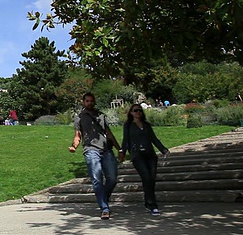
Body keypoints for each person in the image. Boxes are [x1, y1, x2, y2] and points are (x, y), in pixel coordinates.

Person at [69, 92, 122, 220]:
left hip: (106, 149)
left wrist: (119, 149)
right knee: (97, 179)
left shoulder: (100, 115)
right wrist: (74, 146)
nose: (90, 103)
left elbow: (108, 133)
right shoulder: (79, 117)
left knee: (112, 178)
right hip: (91, 149)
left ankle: (103, 198)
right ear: (83, 102)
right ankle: (104, 208)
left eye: (92, 101)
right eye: (87, 101)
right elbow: (78, 135)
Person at [121, 104, 169, 216]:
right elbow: (126, 140)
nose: (138, 112)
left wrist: (163, 149)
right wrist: (122, 152)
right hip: (137, 155)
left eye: (139, 110)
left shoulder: (146, 125)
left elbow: (153, 138)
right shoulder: (128, 126)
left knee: (151, 178)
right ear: (131, 113)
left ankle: (148, 201)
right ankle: (152, 204)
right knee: (146, 177)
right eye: (135, 111)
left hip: (150, 154)